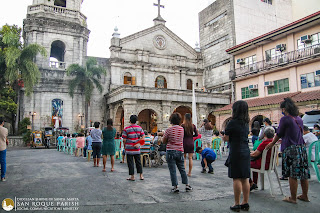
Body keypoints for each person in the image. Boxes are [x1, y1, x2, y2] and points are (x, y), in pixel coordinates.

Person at [266, 98, 310, 204]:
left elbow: (279, 134)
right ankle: (305, 195)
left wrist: (271, 143)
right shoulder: (299, 118)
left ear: (285, 109)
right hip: (301, 148)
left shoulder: (285, 119)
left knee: (292, 174)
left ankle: (293, 198)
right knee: (303, 173)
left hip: (291, 149)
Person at [223, 100, 250, 212]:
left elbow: (226, 137)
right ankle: (245, 202)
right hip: (245, 151)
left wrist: (225, 137)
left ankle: (237, 203)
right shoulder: (246, 123)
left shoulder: (232, 123)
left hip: (236, 151)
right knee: (245, 178)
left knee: (237, 178)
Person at [163, 112, 192, 193]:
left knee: (173, 170)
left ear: (171, 120)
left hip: (170, 151)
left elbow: (164, 141)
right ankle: (187, 185)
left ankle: (175, 187)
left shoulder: (168, 130)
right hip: (180, 151)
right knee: (182, 169)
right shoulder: (181, 129)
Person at [249, 126, 275, 191]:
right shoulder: (273, 142)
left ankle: (251, 183)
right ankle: (254, 182)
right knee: (253, 162)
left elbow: (255, 154)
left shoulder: (264, 143)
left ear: (264, 134)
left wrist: (247, 154)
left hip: (262, 164)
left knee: (244, 165)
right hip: (270, 164)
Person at [122, 115, 145, 181]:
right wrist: (139, 143)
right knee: (138, 162)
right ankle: (141, 175)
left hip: (129, 148)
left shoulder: (126, 129)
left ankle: (132, 176)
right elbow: (143, 137)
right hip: (137, 148)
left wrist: (125, 147)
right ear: (136, 121)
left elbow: (124, 140)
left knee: (130, 162)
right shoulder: (140, 128)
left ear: (130, 120)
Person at [0, 117, 9, 182]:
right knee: (3, 162)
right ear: (2, 122)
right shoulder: (5, 130)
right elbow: (5, 138)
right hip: (2, 147)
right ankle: (2, 177)